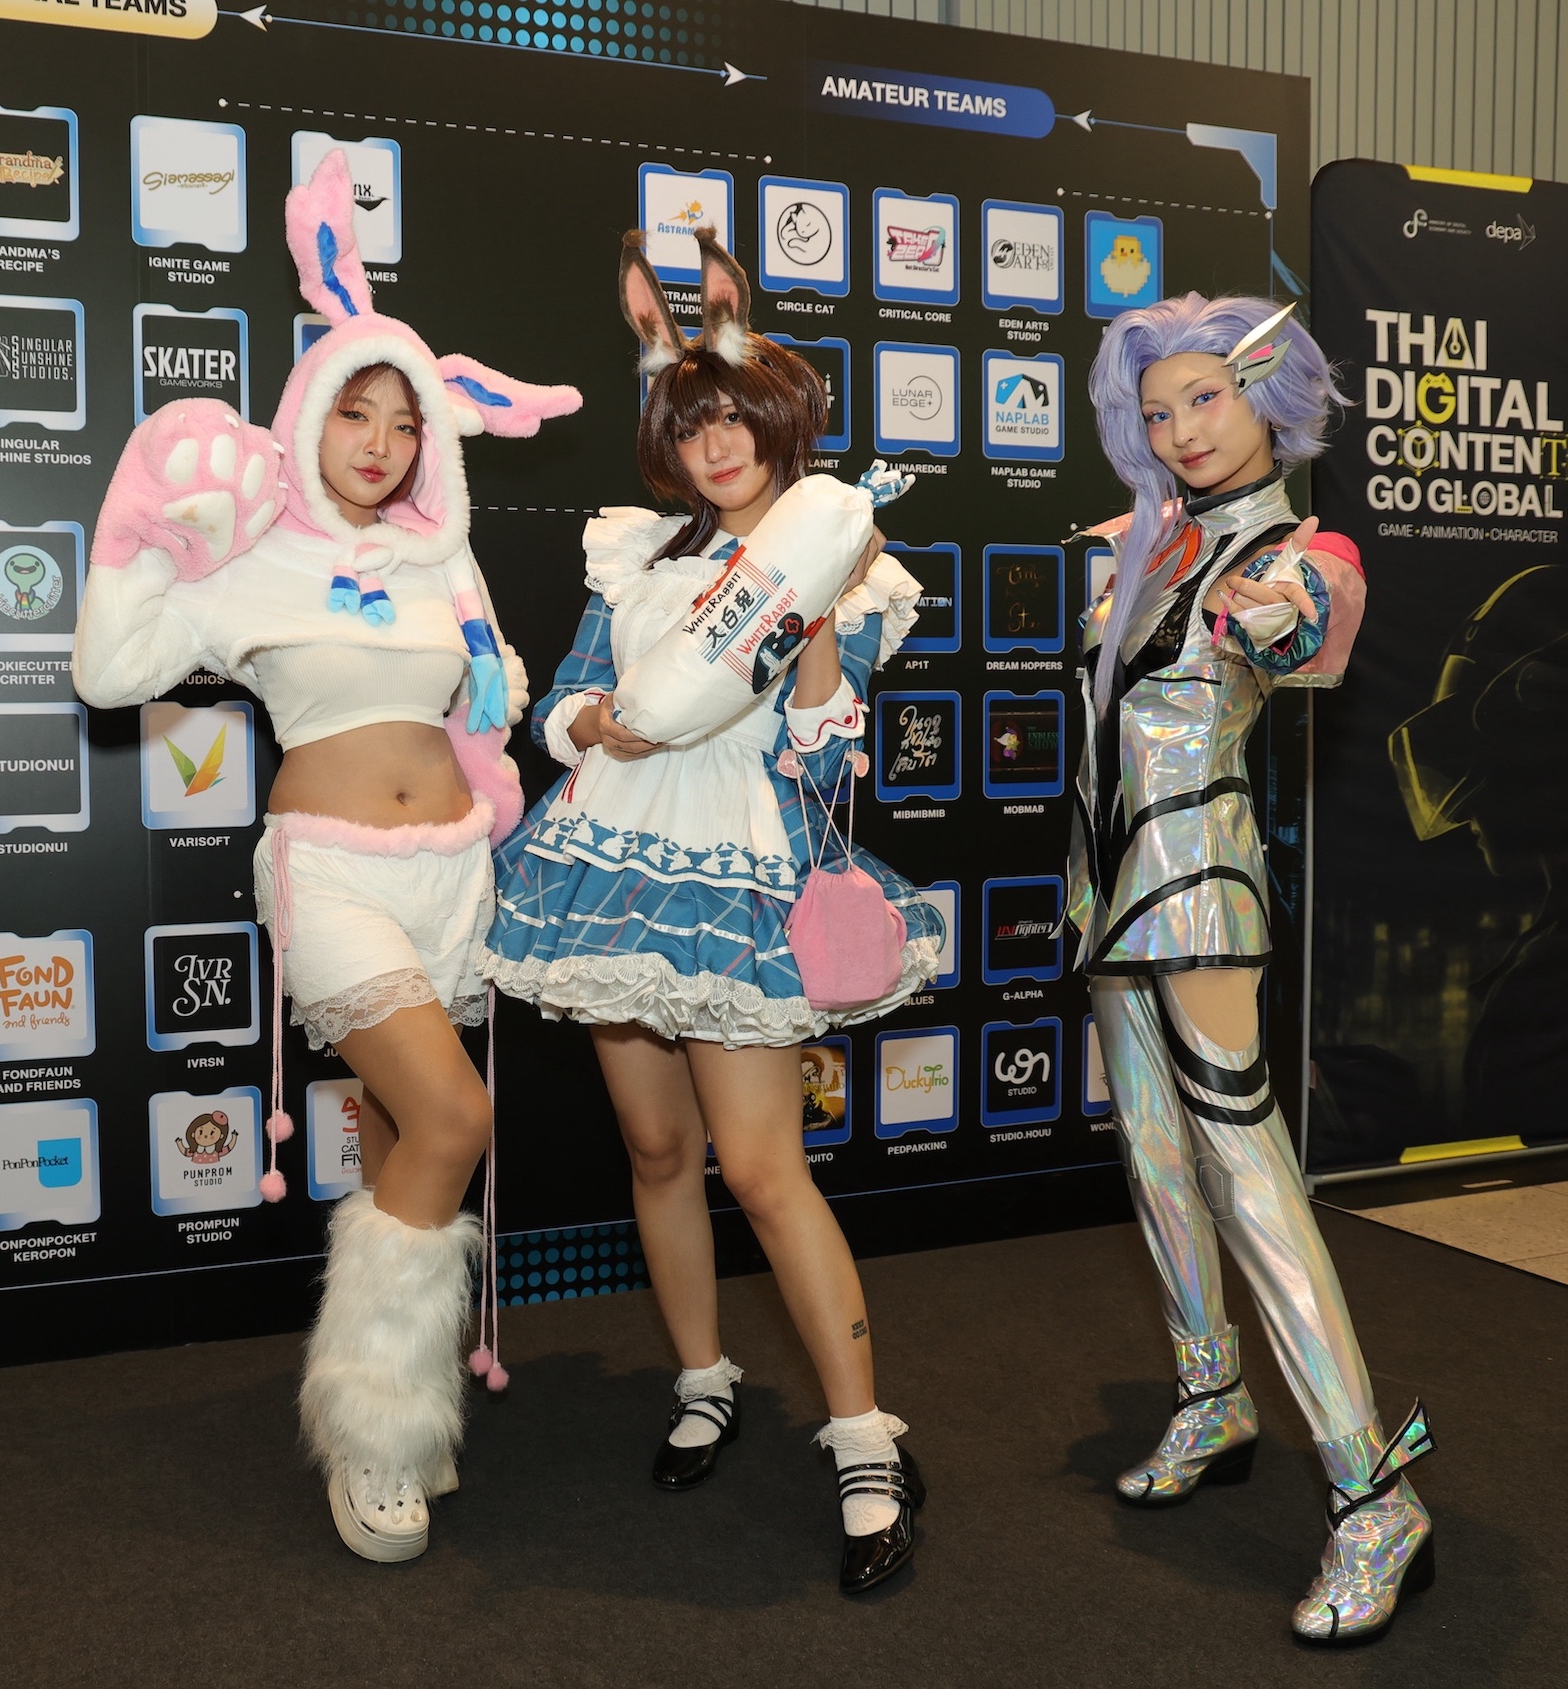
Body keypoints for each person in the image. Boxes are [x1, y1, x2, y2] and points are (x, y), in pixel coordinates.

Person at [71, 152, 580, 1564]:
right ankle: (372, 1425)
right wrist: (136, 532)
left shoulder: (442, 558)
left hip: (453, 871)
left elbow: (489, 695)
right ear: (305, 416)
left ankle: (403, 1390)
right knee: (458, 1120)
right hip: (335, 875)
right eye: (354, 410)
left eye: (404, 421)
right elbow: (108, 674)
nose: (379, 442)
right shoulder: (248, 557)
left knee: (400, 1134)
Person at [481, 229, 941, 1594]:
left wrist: (814, 628)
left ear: (780, 421)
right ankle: (701, 1378)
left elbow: (825, 756)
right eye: (691, 428)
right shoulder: (633, 556)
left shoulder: (842, 559)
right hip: (609, 857)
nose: (716, 445)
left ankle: (862, 1439)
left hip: (741, 865)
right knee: (652, 1146)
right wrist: (594, 725)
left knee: (762, 1166)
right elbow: (566, 696)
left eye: (736, 419)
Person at [1074, 293, 1432, 1643]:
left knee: (1246, 1172)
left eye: (1205, 399)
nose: (1181, 429)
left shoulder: (1298, 549)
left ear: (1266, 393)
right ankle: (1211, 1392)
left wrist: (1279, 611)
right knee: (1151, 1150)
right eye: (1157, 411)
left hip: (1196, 886)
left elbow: (1304, 631)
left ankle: (1373, 1490)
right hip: (1103, 886)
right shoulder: (1146, 543)